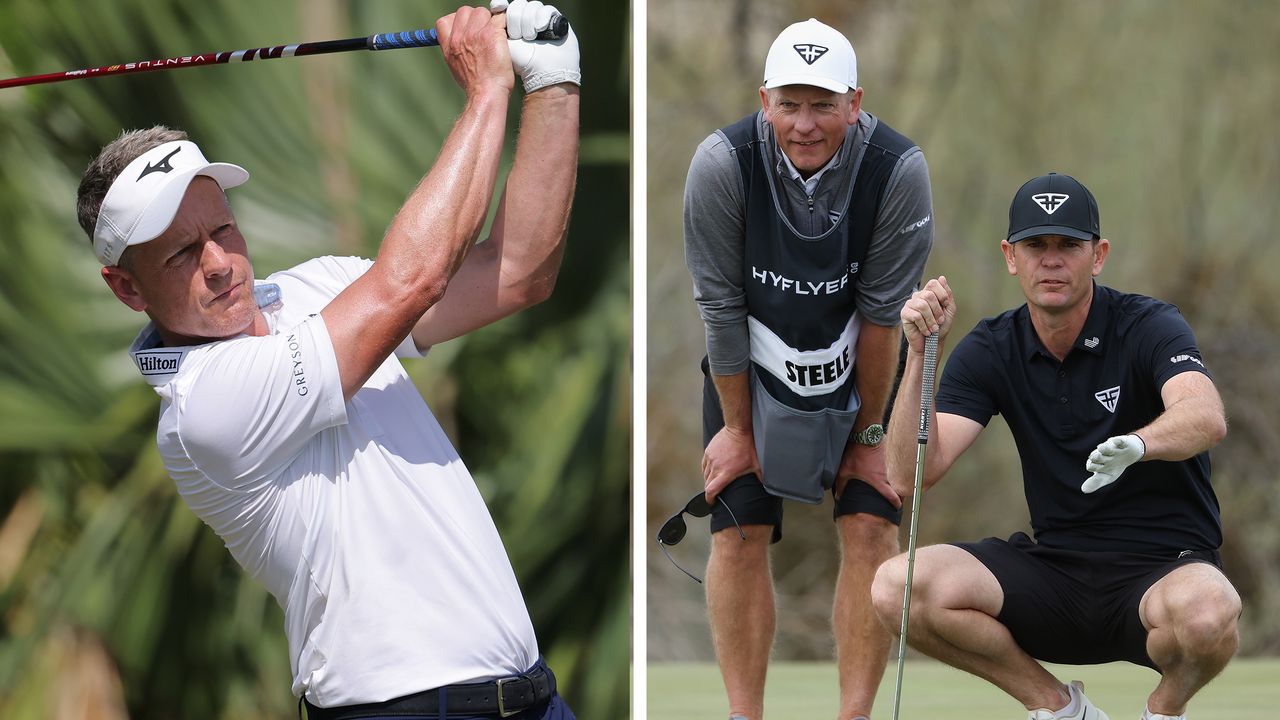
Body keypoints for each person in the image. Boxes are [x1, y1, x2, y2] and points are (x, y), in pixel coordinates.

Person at [75, 2, 580, 718]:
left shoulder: (318, 287)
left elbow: (519, 270)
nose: (220, 263)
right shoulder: (202, 408)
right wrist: (487, 88)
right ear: (127, 287)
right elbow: (412, 279)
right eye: (183, 252)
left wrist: (554, 80)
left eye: (223, 228)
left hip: (528, 693)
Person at [872, 172, 1241, 720]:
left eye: (1068, 245)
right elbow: (908, 475)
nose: (1051, 260)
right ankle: (1060, 710)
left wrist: (1140, 444)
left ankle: (1162, 712)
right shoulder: (993, 348)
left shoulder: (1148, 325)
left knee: (1210, 613)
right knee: (895, 586)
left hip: (1164, 571)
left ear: (1098, 255)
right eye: (1035, 246)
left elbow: (1205, 415)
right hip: (1057, 572)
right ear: (1009, 256)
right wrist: (921, 357)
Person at [681, 17, 934, 720]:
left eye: (823, 104)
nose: (805, 124)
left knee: (870, 528)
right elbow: (720, 308)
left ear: (855, 103)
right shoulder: (722, 164)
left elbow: (883, 318)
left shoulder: (897, 170)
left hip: (866, 361)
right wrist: (737, 430)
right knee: (737, 531)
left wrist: (868, 439)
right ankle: (745, 715)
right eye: (790, 103)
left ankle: (853, 716)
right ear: (764, 102)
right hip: (749, 360)